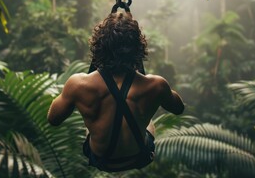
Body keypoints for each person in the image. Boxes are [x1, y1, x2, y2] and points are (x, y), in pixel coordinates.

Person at [47, 12, 184, 172]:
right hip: (140, 156)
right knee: (149, 121)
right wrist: (156, 90)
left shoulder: (78, 84)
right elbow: (178, 108)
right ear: (138, 48)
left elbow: (53, 119)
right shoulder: (156, 85)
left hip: (101, 159)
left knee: (91, 119)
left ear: (98, 47)